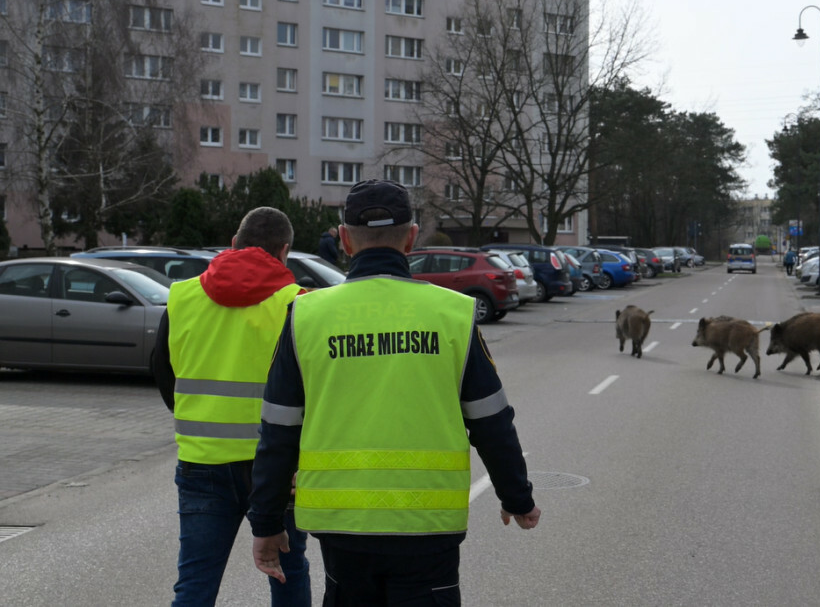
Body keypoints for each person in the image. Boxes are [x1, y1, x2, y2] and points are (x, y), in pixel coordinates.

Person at [249, 179, 540, 606]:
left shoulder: (305, 315)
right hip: (427, 528)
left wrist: (266, 522)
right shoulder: (453, 313)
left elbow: (278, 432)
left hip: (343, 527)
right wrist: (516, 496)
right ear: (411, 237)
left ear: (345, 239)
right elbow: (491, 419)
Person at [153, 206, 311, 606]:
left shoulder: (182, 297)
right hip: (279, 466)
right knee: (288, 574)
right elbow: (315, 389)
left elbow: (163, 374)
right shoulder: (299, 305)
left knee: (195, 581)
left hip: (203, 461)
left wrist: (201, 416)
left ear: (233, 243)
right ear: (285, 251)